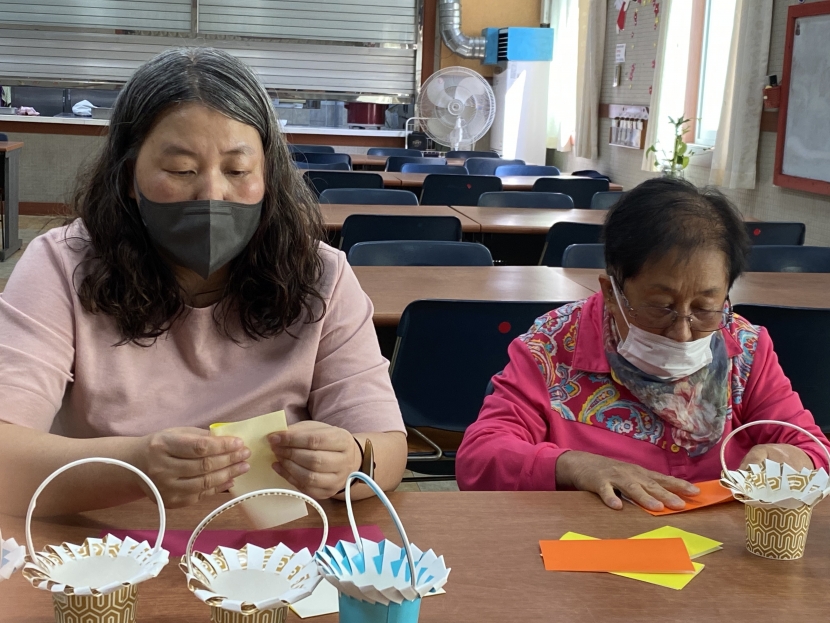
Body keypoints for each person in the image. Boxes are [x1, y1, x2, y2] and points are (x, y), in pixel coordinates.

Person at [0, 48, 407, 516]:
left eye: (237, 171)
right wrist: (135, 467)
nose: (212, 194)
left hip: (275, 551)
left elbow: (386, 449)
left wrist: (351, 460)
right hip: (100, 547)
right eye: (181, 171)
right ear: (129, 175)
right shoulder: (62, 265)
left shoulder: (321, 276)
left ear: (268, 175)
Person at [456, 177, 829, 511]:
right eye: (660, 307)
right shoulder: (552, 347)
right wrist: (573, 465)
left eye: (704, 308)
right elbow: (479, 457)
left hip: (720, 551)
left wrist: (791, 457)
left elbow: (814, 450)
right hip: (593, 543)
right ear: (612, 293)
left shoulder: (745, 349)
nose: (682, 333)